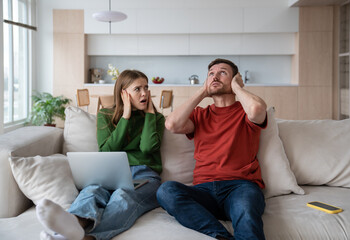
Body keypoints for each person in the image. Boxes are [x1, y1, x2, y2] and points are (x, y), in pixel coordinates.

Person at [36, 69, 165, 240]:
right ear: (124, 94)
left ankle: (85, 238)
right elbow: (107, 151)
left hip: (145, 175)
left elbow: (148, 148)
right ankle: (73, 223)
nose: (144, 93)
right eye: (138, 89)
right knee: (91, 191)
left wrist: (149, 114)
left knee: (122, 197)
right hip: (111, 172)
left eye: (146, 88)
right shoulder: (105, 115)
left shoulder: (157, 119)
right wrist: (125, 116)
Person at [156, 58, 268, 240]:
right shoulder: (200, 115)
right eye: (211, 74)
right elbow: (172, 124)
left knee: (246, 208)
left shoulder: (245, 112)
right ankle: (221, 236)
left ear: (234, 79)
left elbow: (257, 109)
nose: (215, 77)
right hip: (204, 190)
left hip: (240, 187)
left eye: (222, 72)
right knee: (166, 191)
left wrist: (238, 88)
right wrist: (202, 90)